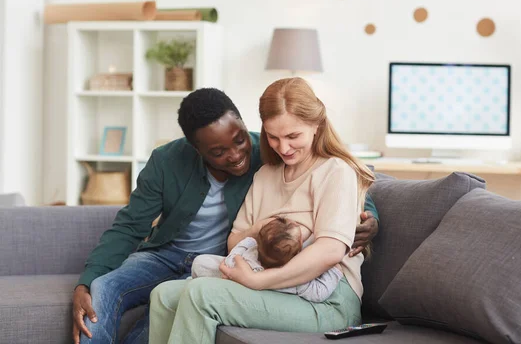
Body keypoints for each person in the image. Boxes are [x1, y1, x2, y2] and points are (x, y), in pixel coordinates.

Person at [71, 88, 380, 344]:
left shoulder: (332, 170)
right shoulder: (266, 173)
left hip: (324, 298)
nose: (282, 147)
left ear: (317, 125)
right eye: (273, 137)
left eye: (292, 136)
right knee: (163, 294)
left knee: (202, 293)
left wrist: (370, 221)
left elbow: (348, 214)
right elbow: (234, 239)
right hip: (238, 274)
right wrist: (259, 231)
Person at [191, 216, 344, 302]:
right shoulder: (299, 280)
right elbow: (318, 293)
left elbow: (234, 255)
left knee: (201, 262)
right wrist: (335, 269)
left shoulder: (247, 254)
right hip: (269, 292)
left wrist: (252, 241)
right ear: (300, 247)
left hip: (242, 282)